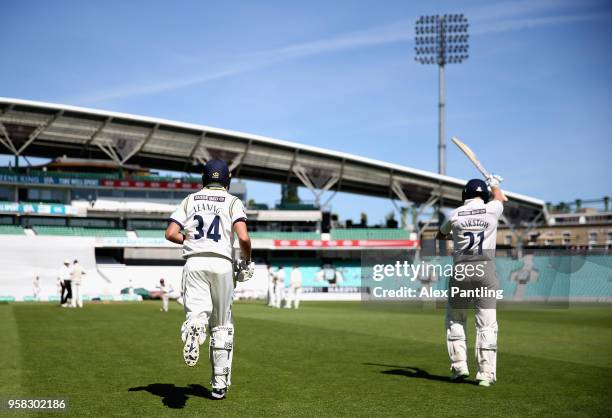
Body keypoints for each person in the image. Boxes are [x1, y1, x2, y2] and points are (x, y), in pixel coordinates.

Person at [165, 159, 254, 400]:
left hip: (194, 262)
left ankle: (195, 326)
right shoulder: (233, 201)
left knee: (197, 313)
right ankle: (219, 385)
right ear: (227, 180)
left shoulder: (190, 200)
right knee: (223, 325)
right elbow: (243, 238)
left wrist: (191, 241)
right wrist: (246, 262)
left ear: (204, 178)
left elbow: (170, 233)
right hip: (222, 263)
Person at [436, 175, 504, 387]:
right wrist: (494, 183)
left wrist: (455, 237)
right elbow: (500, 197)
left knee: (456, 320)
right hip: (485, 270)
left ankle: (459, 367)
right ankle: (485, 374)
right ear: (483, 195)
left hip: (461, 271)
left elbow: (440, 235)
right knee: (486, 325)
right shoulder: (493, 209)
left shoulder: (454, 214)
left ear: (464, 194)